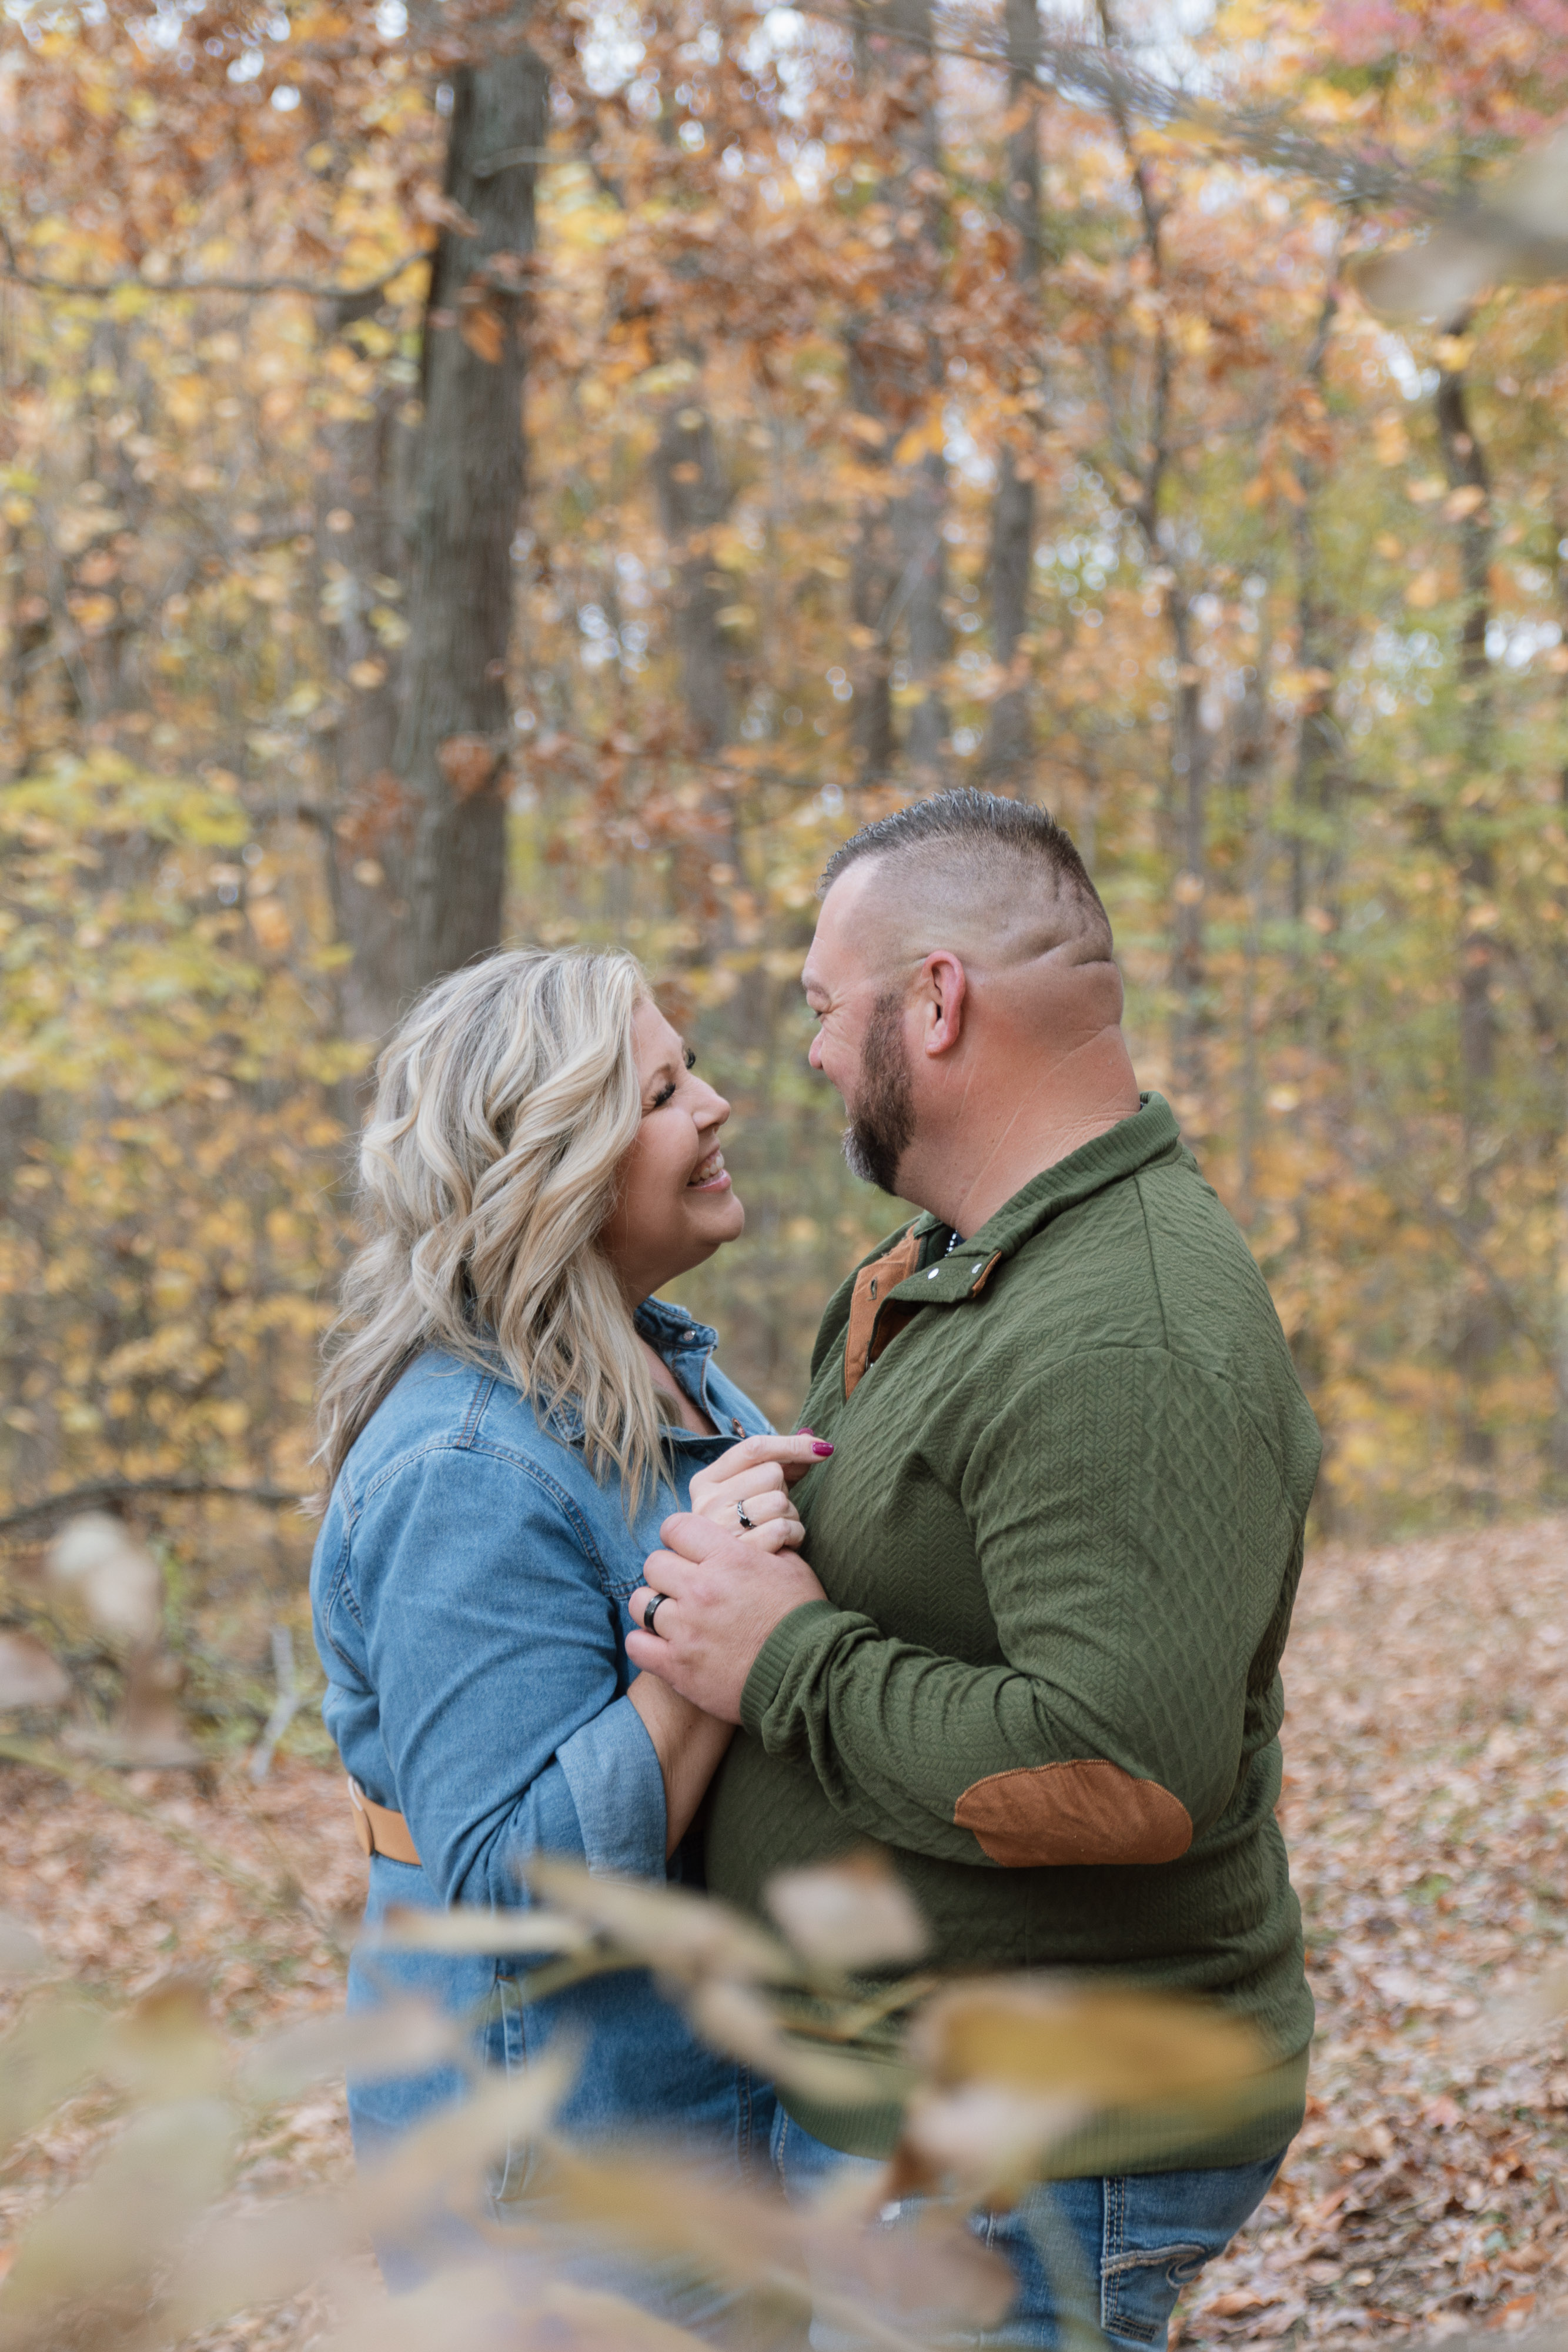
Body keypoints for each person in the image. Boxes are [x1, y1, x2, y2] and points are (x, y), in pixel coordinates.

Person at [627, 790, 1322, 2351]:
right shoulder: (971, 1270)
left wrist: (783, 1657)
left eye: (823, 1007)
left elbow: (1117, 1775)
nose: (804, 1058)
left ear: (933, 1003)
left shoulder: (1126, 1330)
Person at [308, 946, 823, 2296]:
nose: (712, 1105)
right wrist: (703, 1632)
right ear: (556, 1161)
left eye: (688, 1067)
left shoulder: (665, 1362)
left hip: (705, 2108)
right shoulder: (467, 1465)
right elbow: (497, 1892)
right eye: (658, 1091)